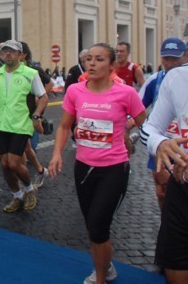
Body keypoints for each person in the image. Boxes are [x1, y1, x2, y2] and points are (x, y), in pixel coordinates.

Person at [48, 43, 146, 284]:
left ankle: (101, 277)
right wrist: (56, 153)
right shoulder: (75, 91)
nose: (91, 63)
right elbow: (63, 126)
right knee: (92, 228)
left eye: (99, 59)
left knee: (99, 225)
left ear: (112, 66)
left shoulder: (126, 94)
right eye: (89, 58)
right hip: (83, 167)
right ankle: (107, 266)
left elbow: (145, 123)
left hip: (114, 168)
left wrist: (128, 133)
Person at [141, 3, 188, 284]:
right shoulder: (177, 78)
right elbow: (149, 126)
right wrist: (160, 143)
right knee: (176, 265)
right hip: (186, 189)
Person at [0, 40, 48, 213]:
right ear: (1, 55)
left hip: (21, 124)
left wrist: (36, 116)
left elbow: (44, 97)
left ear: (20, 54)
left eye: (12, 51)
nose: (8, 54)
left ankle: (29, 189)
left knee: (14, 163)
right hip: (2, 124)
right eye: (5, 52)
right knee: (4, 164)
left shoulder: (30, 73)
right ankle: (17, 195)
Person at [138, 38, 186, 211]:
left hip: (187, 147)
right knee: (163, 192)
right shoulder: (155, 80)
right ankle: (165, 226)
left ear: (185, 56)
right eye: (166, 59)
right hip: (162, 146)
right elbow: (136, 109)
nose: (170, 63)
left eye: (175, 59)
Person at [20, 41, 52, 187]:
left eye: (16, 52)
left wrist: (41, 97)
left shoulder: (34, 69)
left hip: (32, 111)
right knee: (24, 147)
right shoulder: (10, 69)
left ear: (24, 54)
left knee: (26, 147)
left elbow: (50, 84)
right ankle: (36, 173)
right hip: (17, 113)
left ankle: (25, 184)